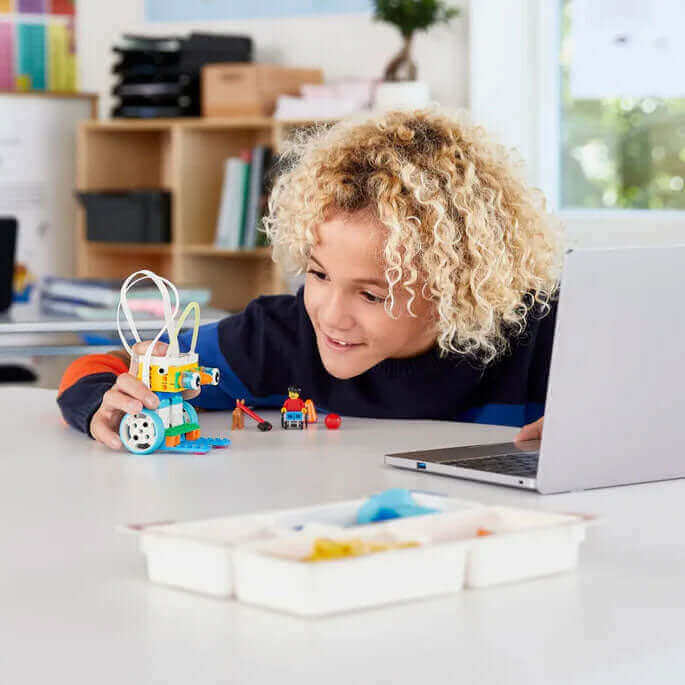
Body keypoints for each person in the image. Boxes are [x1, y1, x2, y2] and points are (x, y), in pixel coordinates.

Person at [57, 108, 562, 450]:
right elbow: (103, 367)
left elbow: (635, 410)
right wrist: (104, 399)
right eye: (319, 275)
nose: (330, 315)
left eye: (370, 293)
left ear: (458, 289)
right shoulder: (275, 338)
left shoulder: (543, 332)